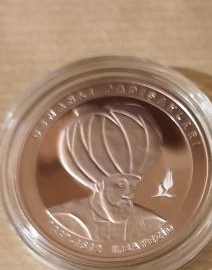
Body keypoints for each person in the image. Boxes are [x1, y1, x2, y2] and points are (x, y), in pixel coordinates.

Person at [49, 102, 167, 243]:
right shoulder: (62, 220)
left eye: (134, 185)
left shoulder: (153, 225)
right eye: (121, 184)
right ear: (98, 184)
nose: (129, 193)